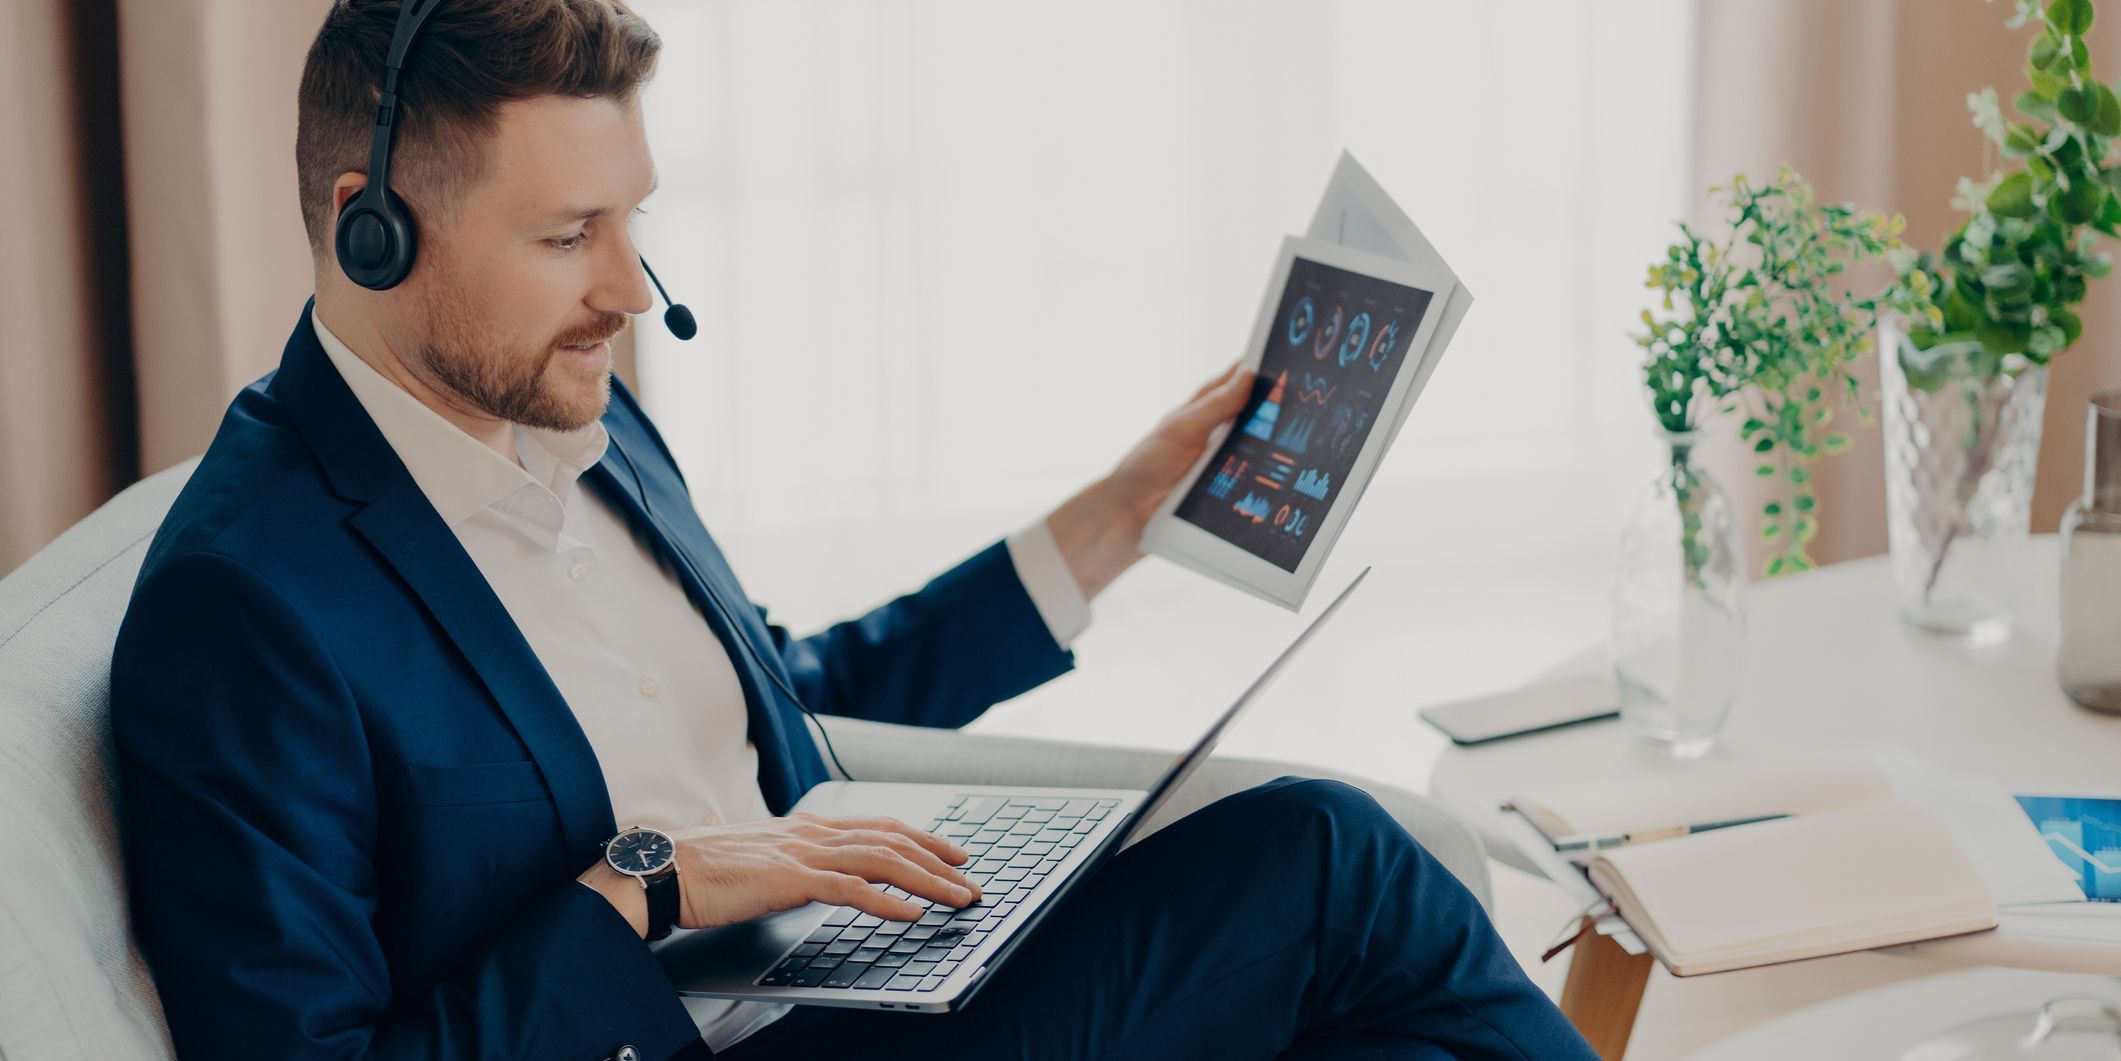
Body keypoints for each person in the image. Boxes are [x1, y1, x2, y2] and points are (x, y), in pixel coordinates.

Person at [108, 1, 1599, 1058]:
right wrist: (651, 890)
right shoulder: (247, 602)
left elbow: (780, 687)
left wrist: (1113, 520)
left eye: (633, 219)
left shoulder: (587, 411)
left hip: (861, 989)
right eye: (567, 237)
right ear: (373, 226)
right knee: (1332, 853)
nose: (630, 291)